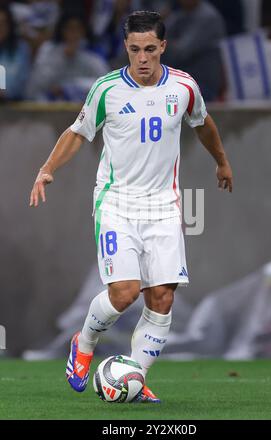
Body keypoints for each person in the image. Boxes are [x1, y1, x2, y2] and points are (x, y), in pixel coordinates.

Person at [29, 11, 233, 403]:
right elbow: (78, 132)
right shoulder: (107, 89)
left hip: (164, 205)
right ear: (126, 47)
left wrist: (221, 161)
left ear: (164, 47)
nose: (143, 58)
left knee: (163, 298)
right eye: (135, 50)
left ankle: (135, 378)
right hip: (117, 202)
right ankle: (84, 341)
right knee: (124, 293)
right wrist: (47, 169)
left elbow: (202, 122)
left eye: (151, 50)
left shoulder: (184, 87)